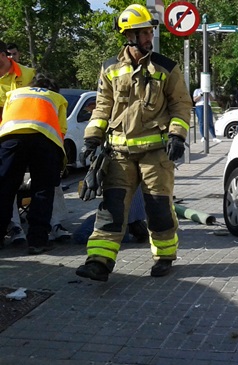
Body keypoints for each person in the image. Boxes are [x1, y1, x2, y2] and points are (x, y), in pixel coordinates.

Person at [75, 4, 192, 281]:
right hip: (118, 153)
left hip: (155, 154)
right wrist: (91, 140)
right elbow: (102, 107)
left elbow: (181, 105)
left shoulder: (166, 67)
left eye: (150, 31)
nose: (149, 37)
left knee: (159, 209)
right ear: (129, 36)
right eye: (143, 33)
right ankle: (99, 261)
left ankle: (164, 256)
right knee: (111, 209)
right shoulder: (110, 69)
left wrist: (177, 135)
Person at [0, 74, 68, 255]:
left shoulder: (14, 94)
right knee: (43, 190)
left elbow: (5, 121)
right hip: (44, 141)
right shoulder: (57, 98)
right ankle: (38, 241)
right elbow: (61, 131)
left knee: (4, 188)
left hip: (11, 140)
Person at [0, 40, 35, 246]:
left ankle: (17, 226)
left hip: (26, 138)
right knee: (4, 183)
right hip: (5, 141)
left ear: (4, 55)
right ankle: (12, 227)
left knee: (10, 184)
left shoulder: (28, 74)